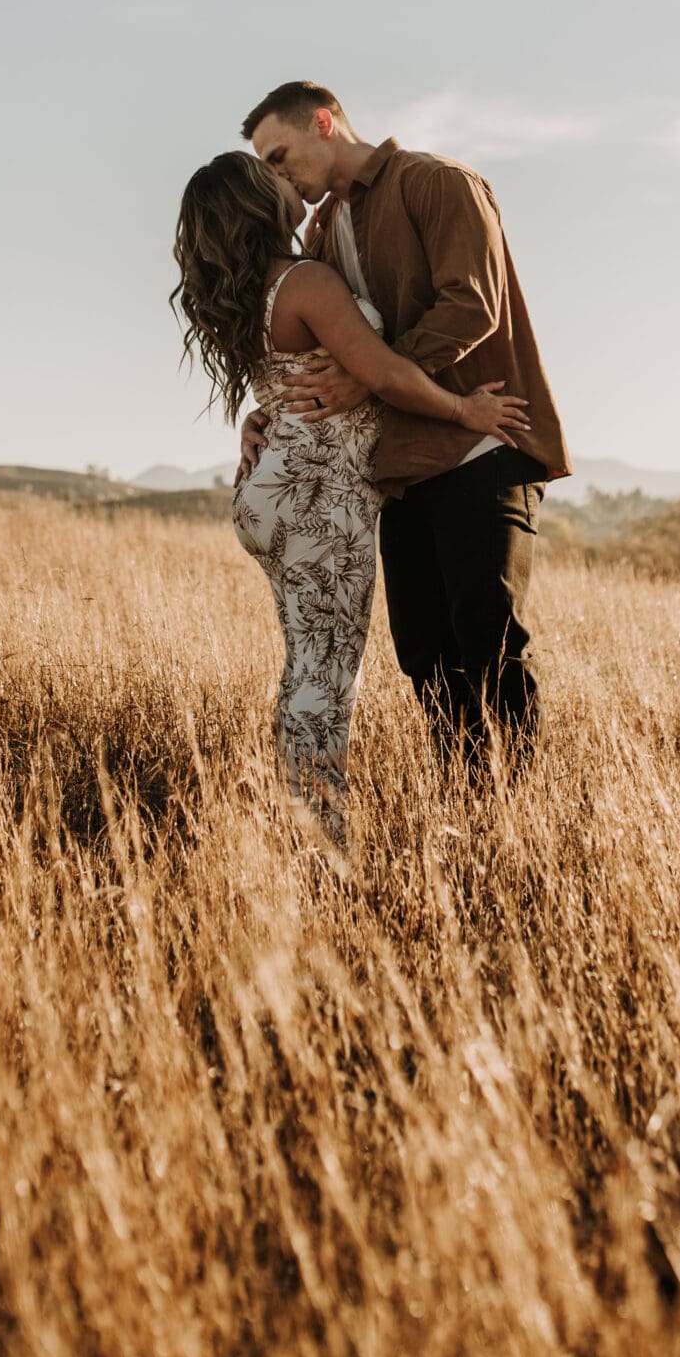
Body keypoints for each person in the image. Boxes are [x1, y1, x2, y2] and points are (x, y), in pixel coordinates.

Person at [172, 151, 530, 844]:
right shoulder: (304, 280)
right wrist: (463, 413)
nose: (284, 181)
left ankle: (299, 815)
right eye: (269, 175)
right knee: (325, 674)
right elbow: (383, 374)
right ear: (255, 203)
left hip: (268, 490)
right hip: (318, 500)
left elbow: (279, 381)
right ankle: (316, 835)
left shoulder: (252, 288)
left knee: (306, 662)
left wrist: (257, 418)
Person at [237, 82, 569, 776]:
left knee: (489, 634)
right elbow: (326, 345)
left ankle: (525, 813)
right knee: (424, 652)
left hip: (478, 441)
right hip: (395, 464)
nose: (279, 177)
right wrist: (266, 409)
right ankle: (466, 799)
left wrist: (373, 375)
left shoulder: (437, 181)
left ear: (323, 123)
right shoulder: (322, 232)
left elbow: (470, 303)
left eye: (279, 156)